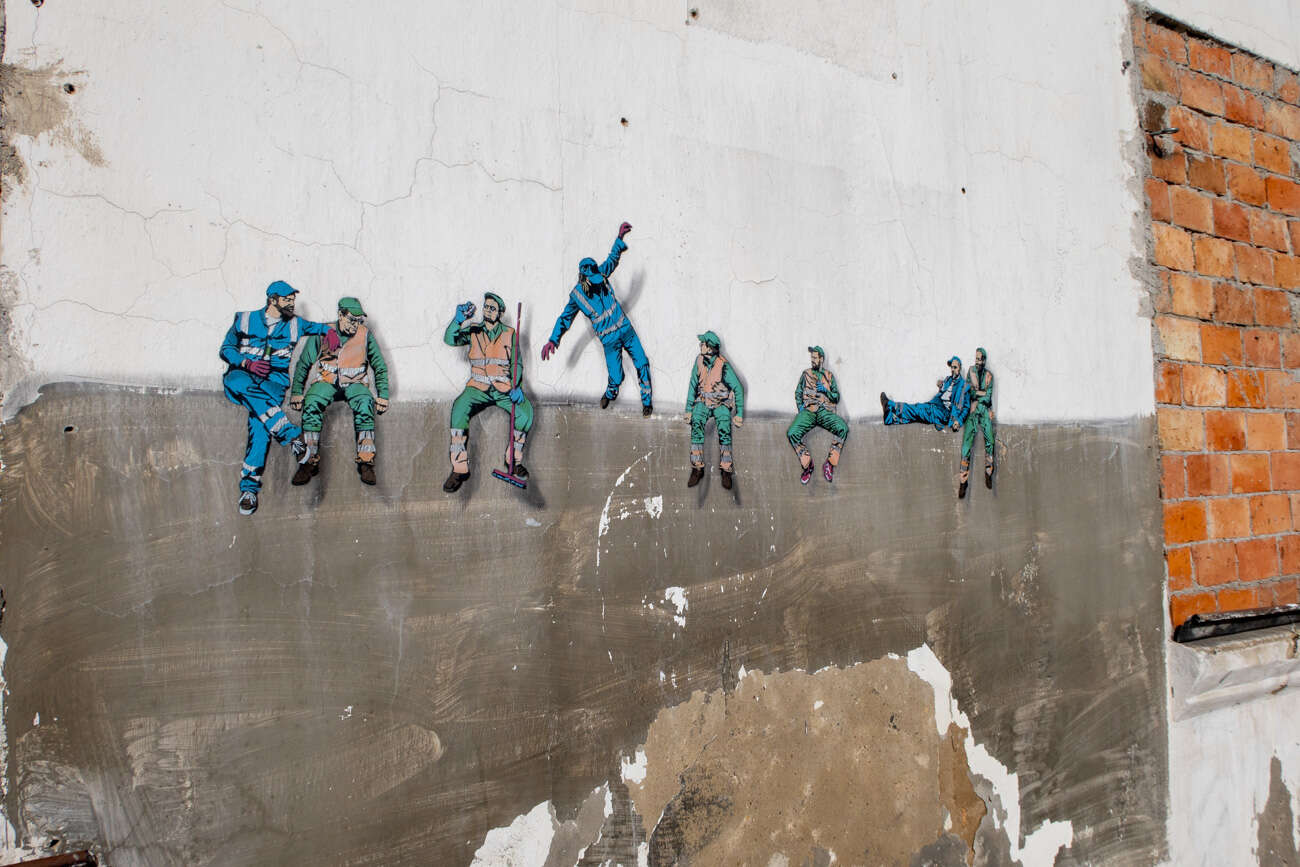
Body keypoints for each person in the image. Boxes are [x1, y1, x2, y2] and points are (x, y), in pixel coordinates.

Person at [219, 280, 332, 516]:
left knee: (260, 428)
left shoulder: (296, 324)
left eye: (292, 299)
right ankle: (291, 435)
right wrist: (246, 363)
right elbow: (226, 349)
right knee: (236, 381)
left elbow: (320, 328)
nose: (291, 303)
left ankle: (248, 490)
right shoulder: (245, 319)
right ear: (272, 300)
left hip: (273, 383)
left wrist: (331, 334)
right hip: (243, 376)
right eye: (287, 299)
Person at [541, 222, 653, 415]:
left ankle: (647, 403)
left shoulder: (600, 274)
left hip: (627, 331)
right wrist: (553, 339)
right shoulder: (577, 296)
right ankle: (610, 392)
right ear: (583, 277)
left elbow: (612, 260)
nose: (597, 282)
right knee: (617, 377)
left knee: (642, 363)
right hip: (609, 341)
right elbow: (564, 319)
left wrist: (619, 238)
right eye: (592, 281)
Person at [289, 297, 390, 486]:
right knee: (311, 403)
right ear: (340, 315)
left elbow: (379, 366)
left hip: (355, 383)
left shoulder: (365, 335)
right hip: (326, 382)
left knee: (365, 404)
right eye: (352, 319)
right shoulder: (322, 332)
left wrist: (383, 395)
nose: (355, 325)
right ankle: (309, 461)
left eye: (359, 320)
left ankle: (366, 462)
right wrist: (297, 392)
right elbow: (304, 363)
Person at [442, 292, 532, 493]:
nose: (488, 310)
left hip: (503, 389)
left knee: (525, 412)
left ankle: (513, 461)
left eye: (492, 308)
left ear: (500, 313)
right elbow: (450, 339)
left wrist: (516, 386)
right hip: (477, 388)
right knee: (459, 408)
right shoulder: (473, 330)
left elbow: (516, 363)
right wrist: (457, 321)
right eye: (486, 307)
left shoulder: (509, 333)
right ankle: (459, 469)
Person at [684, 331, 745, 490]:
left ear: (710, 348)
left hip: (720, 404)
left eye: (703, 343)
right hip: (703, 402)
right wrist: (688, 409)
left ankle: (726, 470)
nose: (700, 345)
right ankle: (697, 468)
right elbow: (693, 385)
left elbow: (738, 388)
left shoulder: (723, 365)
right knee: (696, 422)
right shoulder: (699, 360)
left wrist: (739, 413)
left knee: (724, 427)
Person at [786, 345, 849, 484]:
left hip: (824, 412)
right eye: (812, 357)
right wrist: (800, 407)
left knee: (843, 428)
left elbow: (836, 397)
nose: (812, 360)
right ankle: (808, 464)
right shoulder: (806, 374)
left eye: (815, 357)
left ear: (821, 359)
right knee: (792, 433)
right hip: (808, 412)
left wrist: (826, 391)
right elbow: (798, 392)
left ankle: (830, 463)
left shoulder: (829, 376)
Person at [880, 357, 970, 431]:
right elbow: (944, 393)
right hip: (935, 405)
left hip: (945, 413)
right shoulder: (948, 380)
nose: (952, 370)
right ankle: (889, 417)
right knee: (916, 413)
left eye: (955, 367)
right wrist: (941, 386)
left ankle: (890, 405)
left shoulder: (964, 386)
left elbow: (966, 408)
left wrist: (958, 421)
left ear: (959, 368)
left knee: (917, 409)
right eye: (951, 367)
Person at [959, 347, 996, 498]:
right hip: (973, 410)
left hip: (984, 410)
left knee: (990, 440)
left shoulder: (989, 376)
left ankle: (989, 472)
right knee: (966, 444)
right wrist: (981, 393)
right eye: (976, 358)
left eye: (980, 359)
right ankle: (963, 481)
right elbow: (971, 392)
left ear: (984, 360)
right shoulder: (971, 371)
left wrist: (979, 394)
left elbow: (988, 397)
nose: (978, 361)